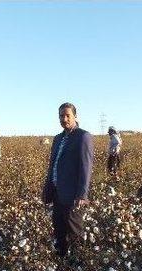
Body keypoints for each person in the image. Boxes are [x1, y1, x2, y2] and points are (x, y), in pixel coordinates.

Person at [42, 103, 93, 258]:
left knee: (74, 229)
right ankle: (62, 259)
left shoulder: (83, 136)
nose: (64, 119)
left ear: (75, 116)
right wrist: (47, 188)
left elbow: (86, 166)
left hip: (72, 194)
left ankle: (79, 263)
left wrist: (82, 194)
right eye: (61, 116)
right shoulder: (58, 138)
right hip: (57, 191)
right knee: (58, 227)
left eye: (67, 115)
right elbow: (53, 165)